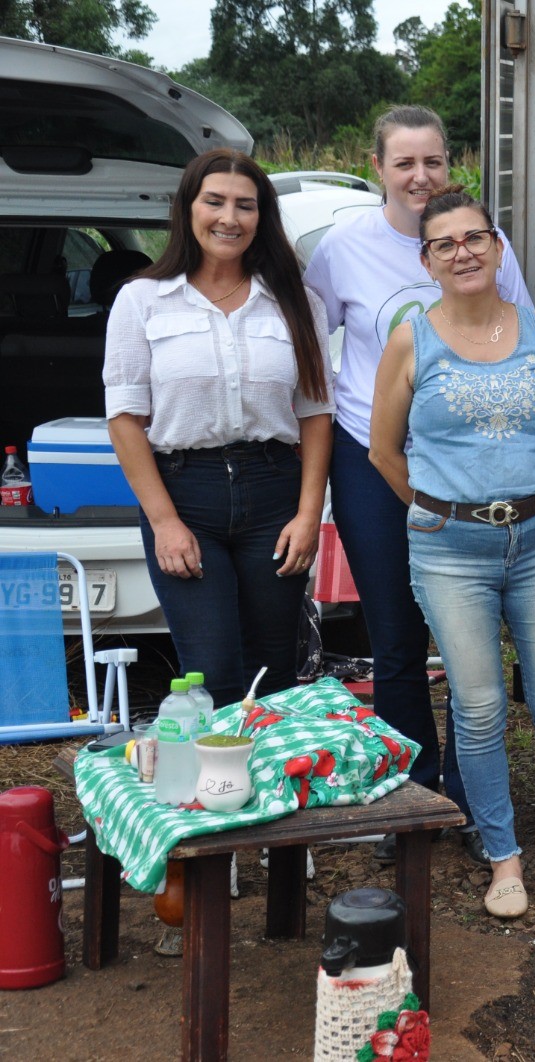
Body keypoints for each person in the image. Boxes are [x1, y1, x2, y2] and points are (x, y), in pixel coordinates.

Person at [368, 189, 535, 918]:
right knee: (481, 707)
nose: (463, 252)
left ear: (496, 246)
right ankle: (504, 856)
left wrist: (513, 494)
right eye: (445, 244)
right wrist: (446, 506)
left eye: (475, 238)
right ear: (427, 260)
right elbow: (384, 451)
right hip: (449, 550)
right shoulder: (411, 341)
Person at [305, 105, 533, 865]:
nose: (420, 176)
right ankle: (413, 795)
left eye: (432, 161)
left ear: (450, 163)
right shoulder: (343, 248)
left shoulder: (483, 242)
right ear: (377, 168)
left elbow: (522, 339)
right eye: (403, 163)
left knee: (470, 636)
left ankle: (471, 800)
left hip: (467, 461)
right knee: (397, 638)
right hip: (374, 460)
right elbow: (307, 344)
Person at [105, 148, 332, 709]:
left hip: (274, 491)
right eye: (215, 201)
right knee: (211, 671)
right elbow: (126, 420)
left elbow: (315, 413)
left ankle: (271, 767)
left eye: (245, 206)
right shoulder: (142, 300)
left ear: (262, 217)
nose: (229, 218)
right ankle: (215, 767)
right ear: (188, 208)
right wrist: (165, 523)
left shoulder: (297, 303)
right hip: (186, 494)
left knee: (274, 673)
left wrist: (309, 516)